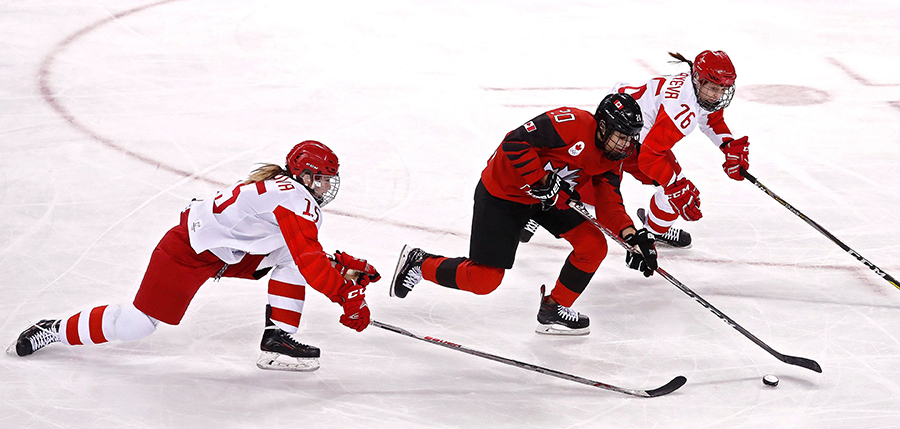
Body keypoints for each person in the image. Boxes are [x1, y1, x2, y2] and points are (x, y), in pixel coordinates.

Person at [7, 141, 380, 372]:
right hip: (187, 252)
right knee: (138, 324)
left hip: (227, 253)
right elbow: (310, 260)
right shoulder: (294, 198)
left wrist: (335, 270)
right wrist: (347, 297)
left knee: (290, 259)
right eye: (325, 178)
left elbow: (304, 255)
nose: (329, 186)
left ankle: (277, 340)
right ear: (307, 175)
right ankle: (52, 329)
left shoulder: (286, 191)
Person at [388, 94, 659, 336]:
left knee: (593, 245)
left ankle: (554, 309)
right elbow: (515, 143)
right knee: (484, 280)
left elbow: (609, 201)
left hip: (547, 198)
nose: (625, 145)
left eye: (630, 138)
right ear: (602, 126)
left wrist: (631, 237)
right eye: (621, 136)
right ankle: (419, 263)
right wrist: (541, 180)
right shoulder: (571, 123)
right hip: (504, 193)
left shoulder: (613, 157)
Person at [523, 51, 750, 252]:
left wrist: (728, 145)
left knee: (669, 185)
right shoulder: (681, 110)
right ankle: (535, 208)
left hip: (636, 132)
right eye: (713, 88)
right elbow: (650, 157)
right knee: (593, 183)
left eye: (723, 89)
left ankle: (652, 233)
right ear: (698, 79)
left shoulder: (697, 89)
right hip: (619, 131)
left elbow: (710, 117)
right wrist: (673, 186)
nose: (717, 95)